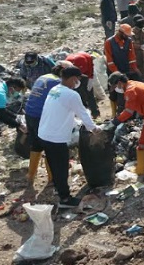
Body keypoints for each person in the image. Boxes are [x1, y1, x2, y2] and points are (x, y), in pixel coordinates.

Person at [38, 67, 100, 207]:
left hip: (44, 133)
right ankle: (65, 199)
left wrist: (76, 123)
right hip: (55, 138)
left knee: (54, 165)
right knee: (61, 167)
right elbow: (83, 114)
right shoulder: (72, 95)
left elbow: (62, 111)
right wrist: (94, 129)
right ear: (73, 79)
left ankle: (58, 189)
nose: (78, 82)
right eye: (77, 79)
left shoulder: (55, 90)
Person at [25, 62, 70, 183]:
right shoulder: (57, 82)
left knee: (36, 145)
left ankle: (30, 175)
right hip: (41, 116)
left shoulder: (43, 76)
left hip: (29, 113)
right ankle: (52, 177)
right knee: (49, 146)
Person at [0, 78, 26, 174]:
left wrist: (16, 116)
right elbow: (2, 116)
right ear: (13, 88)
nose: (17, 94)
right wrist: (18, 124)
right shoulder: (0, 93)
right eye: (17, 91)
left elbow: (2, 110)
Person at [104, 24, 139, 117]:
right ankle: (114, 113)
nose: (127, 36)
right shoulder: (109, 42)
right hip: (113, 72)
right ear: (120, 32)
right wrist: (118, 74)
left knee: (126, 91)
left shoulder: (129, 41)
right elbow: (110, 61)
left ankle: (129, 111)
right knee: (113, 93)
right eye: (126, 35)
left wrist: (135, 69)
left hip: (126, 69)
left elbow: (132, 56)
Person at [66, 52, 100, 118]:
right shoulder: (67, 63)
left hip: (85, 75)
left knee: (89, 93)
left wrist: (90, 79)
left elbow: (90, 70)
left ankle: (95, 113)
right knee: (78, 94)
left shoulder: (88, 58)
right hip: (72, 77)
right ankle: (83, 114)